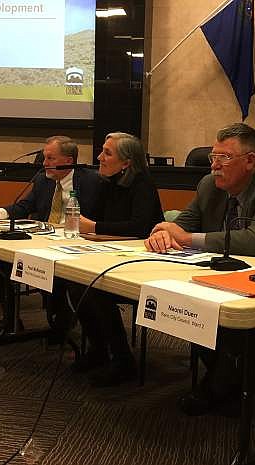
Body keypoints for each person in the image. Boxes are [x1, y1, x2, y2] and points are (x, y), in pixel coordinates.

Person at [144, 122, 255, 415]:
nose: (215, 165)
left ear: (251, 161)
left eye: (224, 158)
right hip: (231, 277)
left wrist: (185, 238)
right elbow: (182, 224)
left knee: (228, 323)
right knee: (187, 304)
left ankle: (217, 385)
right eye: (213, 157)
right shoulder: (209, 185)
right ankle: (241, 376)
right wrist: (163, 233)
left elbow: (254, 241)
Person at [0, 135, 103, 335]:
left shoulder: (91, 181)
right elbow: (25, 206)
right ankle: (10, 318)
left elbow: (99, 216)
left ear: (68, 161)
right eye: (44, 158)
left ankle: (62, 317)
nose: (44, 163)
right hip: (44, 238)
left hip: (76, 243)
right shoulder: (42, 179)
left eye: (51, 158)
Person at [71, 132, 164, 387]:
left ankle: (122, 359)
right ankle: (98, 348)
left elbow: (141, 227)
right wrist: (94, 229)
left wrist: (95, 227)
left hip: (144, 261)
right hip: (110, 253)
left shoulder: (142, 184)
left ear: (126, 163)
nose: (99, 157)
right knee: (73, 280)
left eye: (107, 153)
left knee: (96, 288)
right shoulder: (106, 183)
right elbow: (92, 223)